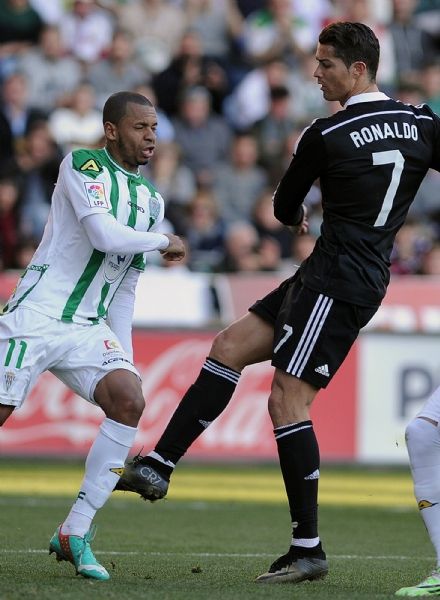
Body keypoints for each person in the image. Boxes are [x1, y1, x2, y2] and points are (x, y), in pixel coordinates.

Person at [116, 21, 440, 586]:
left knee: (288, 400)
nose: (316, 73)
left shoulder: (326, 134)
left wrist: (297, 216)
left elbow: (284, 207)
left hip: (338, 280)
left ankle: (307, 548)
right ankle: (158, 465)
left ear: (358, 69)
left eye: (326, 64)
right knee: (230, 345)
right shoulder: (422, 124)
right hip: (340, 273)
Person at [0, 91, 185, 581]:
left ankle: (74, 530)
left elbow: (124, 283)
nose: (150, 137)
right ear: (111, 130)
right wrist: (165, 240)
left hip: (87, 327)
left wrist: (124, 356)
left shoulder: (151, 200)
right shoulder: (82, 165)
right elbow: (104, 235)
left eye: (154, 128)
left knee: (129, 399)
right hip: (37, 314)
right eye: (140, 127)